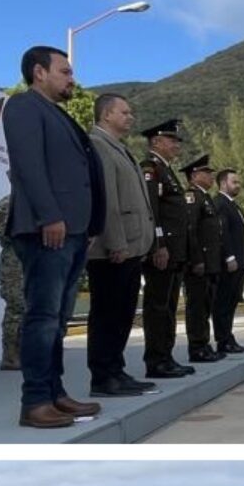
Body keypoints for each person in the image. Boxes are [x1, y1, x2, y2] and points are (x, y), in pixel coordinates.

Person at [2, 45, 106, 429]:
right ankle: (35, 402)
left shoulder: (57, 114)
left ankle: (56, 393)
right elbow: (27, 165)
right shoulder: (23, 107)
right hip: (47, 228)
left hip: (73, 230)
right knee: (43, 317)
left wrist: (91, 225)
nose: (72, 79)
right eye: (65, 71)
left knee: (59, 319)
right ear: (39, 72)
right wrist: (50, 216)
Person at [86, 94, 159, 399]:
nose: (130, 117)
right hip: (114, 249)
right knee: (107, 314)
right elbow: (108, 199)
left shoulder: (120, 148)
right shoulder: (99, 145)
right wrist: (115, 241)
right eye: (124, 112)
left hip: (131, 247)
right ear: (106, 115)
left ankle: (116, 370)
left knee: (122, 313)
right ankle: (103, 377)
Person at [139, 120, 196, 379]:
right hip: (162, 251)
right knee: (158, 306)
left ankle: (167, 356)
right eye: (171, 140)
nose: (176, 145)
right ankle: (156, 360)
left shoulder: (167, 170)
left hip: (175, 251)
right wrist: (159, 244)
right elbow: (152, 210)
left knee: (170, 306)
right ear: (156, 142)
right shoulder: (151, 168)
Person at [180, 155, 227, 365]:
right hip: (199, 263)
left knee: (205, 305)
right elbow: (191, 230)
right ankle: (197, 347)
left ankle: (204, 344)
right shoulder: (192, 197)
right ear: (194, 175)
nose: (210, 177)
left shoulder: (205, 197)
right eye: (206, 173)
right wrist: (197, 259)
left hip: (211, 263)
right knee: (197, 306)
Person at [212, 169, 244, 355]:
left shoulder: (232, 204)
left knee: (232, 302)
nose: (238, 185)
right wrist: (229, 257)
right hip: (230, 263)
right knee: (224, 303)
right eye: (234, 182)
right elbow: (223, 233)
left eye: (238, 182)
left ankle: (228, 337)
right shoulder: (220, 204)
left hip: (240, 262)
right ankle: (223, 340)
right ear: (223, 184)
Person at [0, 191, 24, 370]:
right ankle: (10, 356)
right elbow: (0, 232)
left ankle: (27, 352)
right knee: (16, 308)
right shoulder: (8, 202)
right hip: (14, 262)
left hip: (35, 262)